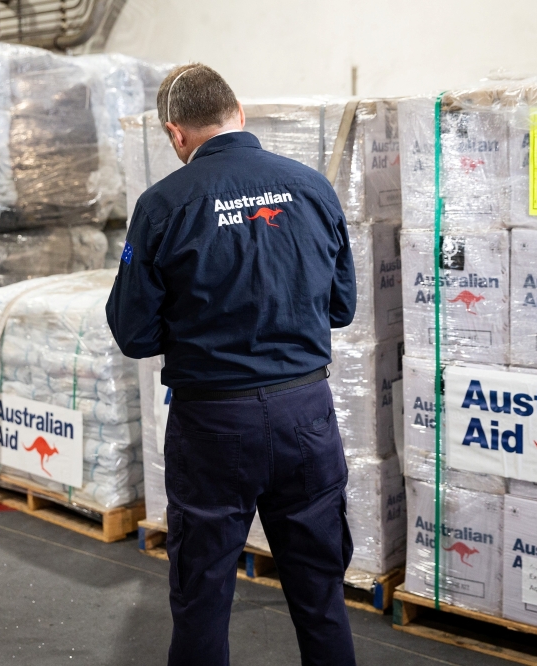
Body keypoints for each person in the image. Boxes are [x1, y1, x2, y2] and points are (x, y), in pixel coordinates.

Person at [106, 63, 357, 666]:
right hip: (307, 418)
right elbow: (342, 308)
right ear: (238, 112)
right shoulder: (312, 187)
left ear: (176, 134)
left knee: (203, 591)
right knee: (321, 592)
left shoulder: (163, 205)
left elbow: (134, 333)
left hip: (214, 424)